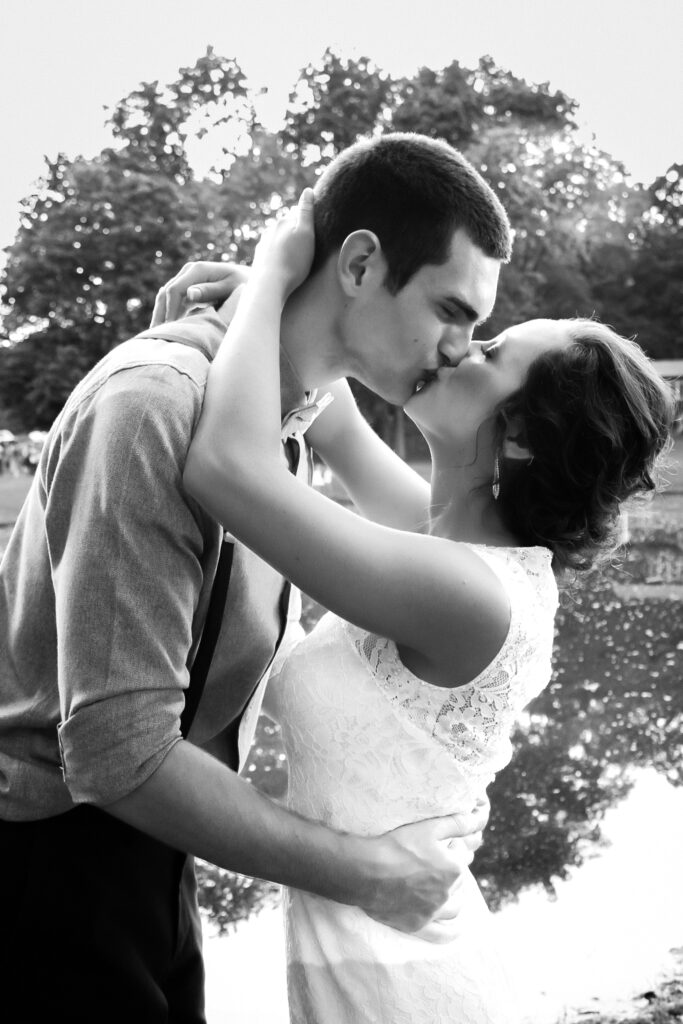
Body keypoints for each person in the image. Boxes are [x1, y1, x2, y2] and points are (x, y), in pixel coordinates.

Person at [0, 133, 510, 1022]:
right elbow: (117, 752)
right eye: (450, 309)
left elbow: (441, 532)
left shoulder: (280, 420)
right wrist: (367, 874)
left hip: (161, 847)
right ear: (359, 262)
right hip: (49, 870)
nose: (462, 350)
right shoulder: (154, 405)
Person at [177, 191, 674, 1023]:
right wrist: (299, 298)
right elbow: (330, 412)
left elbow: (226, 472)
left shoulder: (468, 595)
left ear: (518, 434)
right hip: (371, 951)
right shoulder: (444, 541)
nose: (458, 347)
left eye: (489, 351)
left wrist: (274, 265)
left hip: (403, 984)